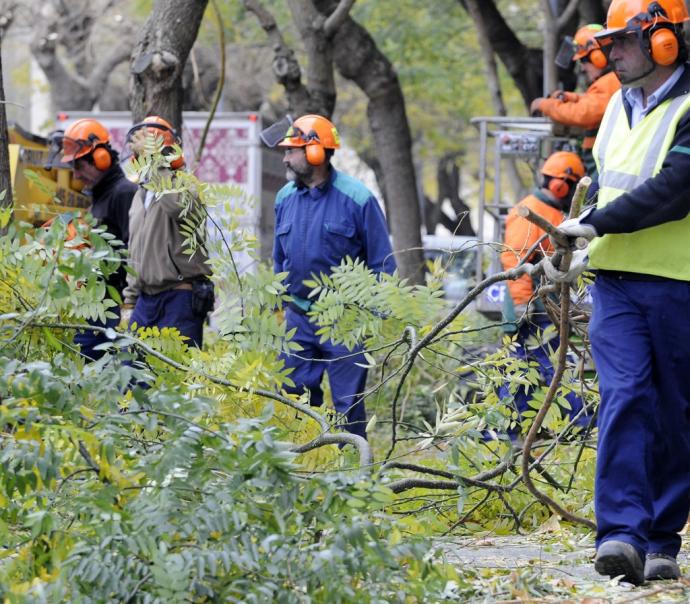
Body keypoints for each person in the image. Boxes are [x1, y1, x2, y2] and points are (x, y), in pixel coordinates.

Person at [544, 0, 690, 585]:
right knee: (625, 395)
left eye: (625, 42)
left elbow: (676, 188)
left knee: (674, 412)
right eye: (610, 43)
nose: (613, 54)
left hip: (678, 281)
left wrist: (599, 223)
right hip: (616, 285)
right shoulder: (613, 112)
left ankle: (662, 538)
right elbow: (603, 183)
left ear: (663, 41)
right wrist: (578, 241)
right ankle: (622, 535)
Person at [273, 114, 396, 439]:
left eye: (292, 150)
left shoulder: (358, 199)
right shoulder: (284, 198)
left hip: (346, 321)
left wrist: (371, 318)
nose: (285, 157)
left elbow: (382, 264)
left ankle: (352, 472)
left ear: (315, 152)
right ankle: (303, 466)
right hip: (298, 317)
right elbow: (278, 259)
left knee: (348, 404)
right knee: (294, 398)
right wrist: (276, 306)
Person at [497, 151, 588, 438]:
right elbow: (514, 261)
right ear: (561, 185)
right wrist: (525, 304)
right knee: (537, 364)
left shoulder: (552, 212)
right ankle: (579, 423)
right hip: (529, 306)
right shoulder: (530, 210)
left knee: (527, 366)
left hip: (542, 302)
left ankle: (518, 430)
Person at [122, 116, 213, 348]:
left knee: (175, 373)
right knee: (132, 373)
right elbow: (135, 251)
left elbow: (175, 206)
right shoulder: (140, 194)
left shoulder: (187, 186)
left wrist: (155, 164)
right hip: (146, 300)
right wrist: (130, 302)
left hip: (180, 297)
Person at [60, 118, 137, 360]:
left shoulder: (123, 193)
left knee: (97, 363)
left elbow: (134, 253)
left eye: (79, 166)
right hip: (97, 300)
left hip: (111, 303)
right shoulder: (102, 195)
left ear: (100, 158)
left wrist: (128, 305)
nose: (76, 175)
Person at [531, 24, 621, 176]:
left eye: (583, 61)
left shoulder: (610, 82)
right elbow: (592, 101)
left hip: (603, 156)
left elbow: (583, 113)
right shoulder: (608, 82)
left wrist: (544, 105)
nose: (583, 68)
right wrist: (571, 97)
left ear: (597, 57)